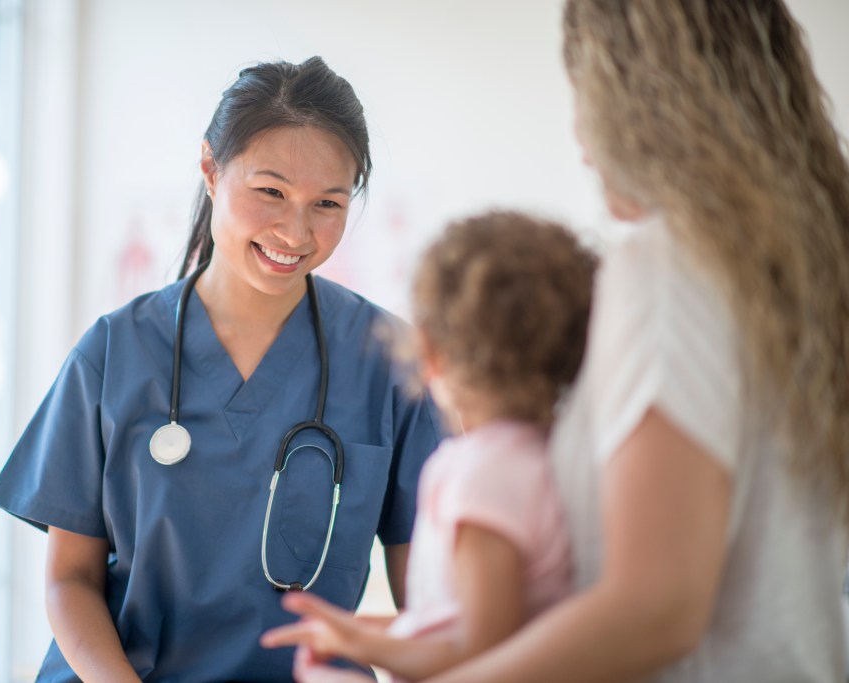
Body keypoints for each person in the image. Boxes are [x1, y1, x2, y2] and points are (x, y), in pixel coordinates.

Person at [309, 2, 844, 683]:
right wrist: (385, 635)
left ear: (640, 99)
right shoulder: (788, 270)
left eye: (584, 97)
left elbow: (656, 607)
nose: (582, 140)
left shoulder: (669, 265)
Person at [0, 56, 444, 682]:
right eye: (271, 192)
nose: (296, 229)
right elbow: (69, 580)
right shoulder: (115, 351)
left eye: (328, 203)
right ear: (210, 169)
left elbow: (430, 603)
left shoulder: (390, 363)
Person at [261, 211, 596, 680]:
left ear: (430, 352)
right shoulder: (557, 457)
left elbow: (481, 654)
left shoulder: (481, 476)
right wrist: (360, 636)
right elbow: (469, 623)